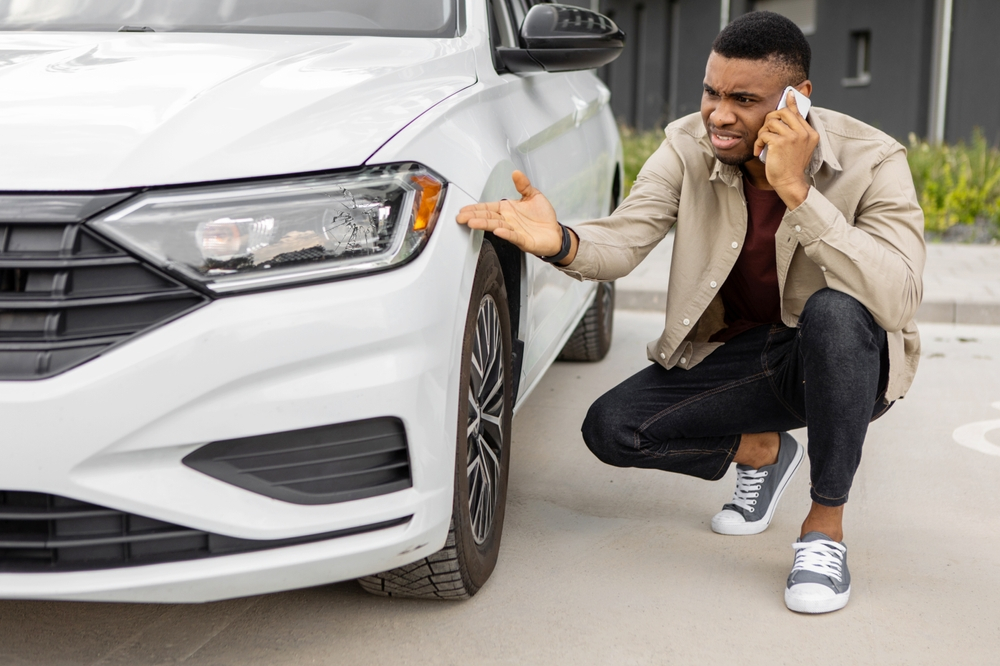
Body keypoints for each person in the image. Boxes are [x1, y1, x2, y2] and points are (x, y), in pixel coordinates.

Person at [456, 11, 924, 614]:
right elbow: (626, 237)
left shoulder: (874, 160)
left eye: (744, 99)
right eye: (712, 92)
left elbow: (898, 298)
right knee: (610, 428)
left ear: (796, 100)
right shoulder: (686, 145)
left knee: (834, 311)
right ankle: (761, 451)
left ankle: (823, 529)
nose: (720, 115)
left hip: (843, 361)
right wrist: (562, 242)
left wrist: (797, 193)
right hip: (740, 359)